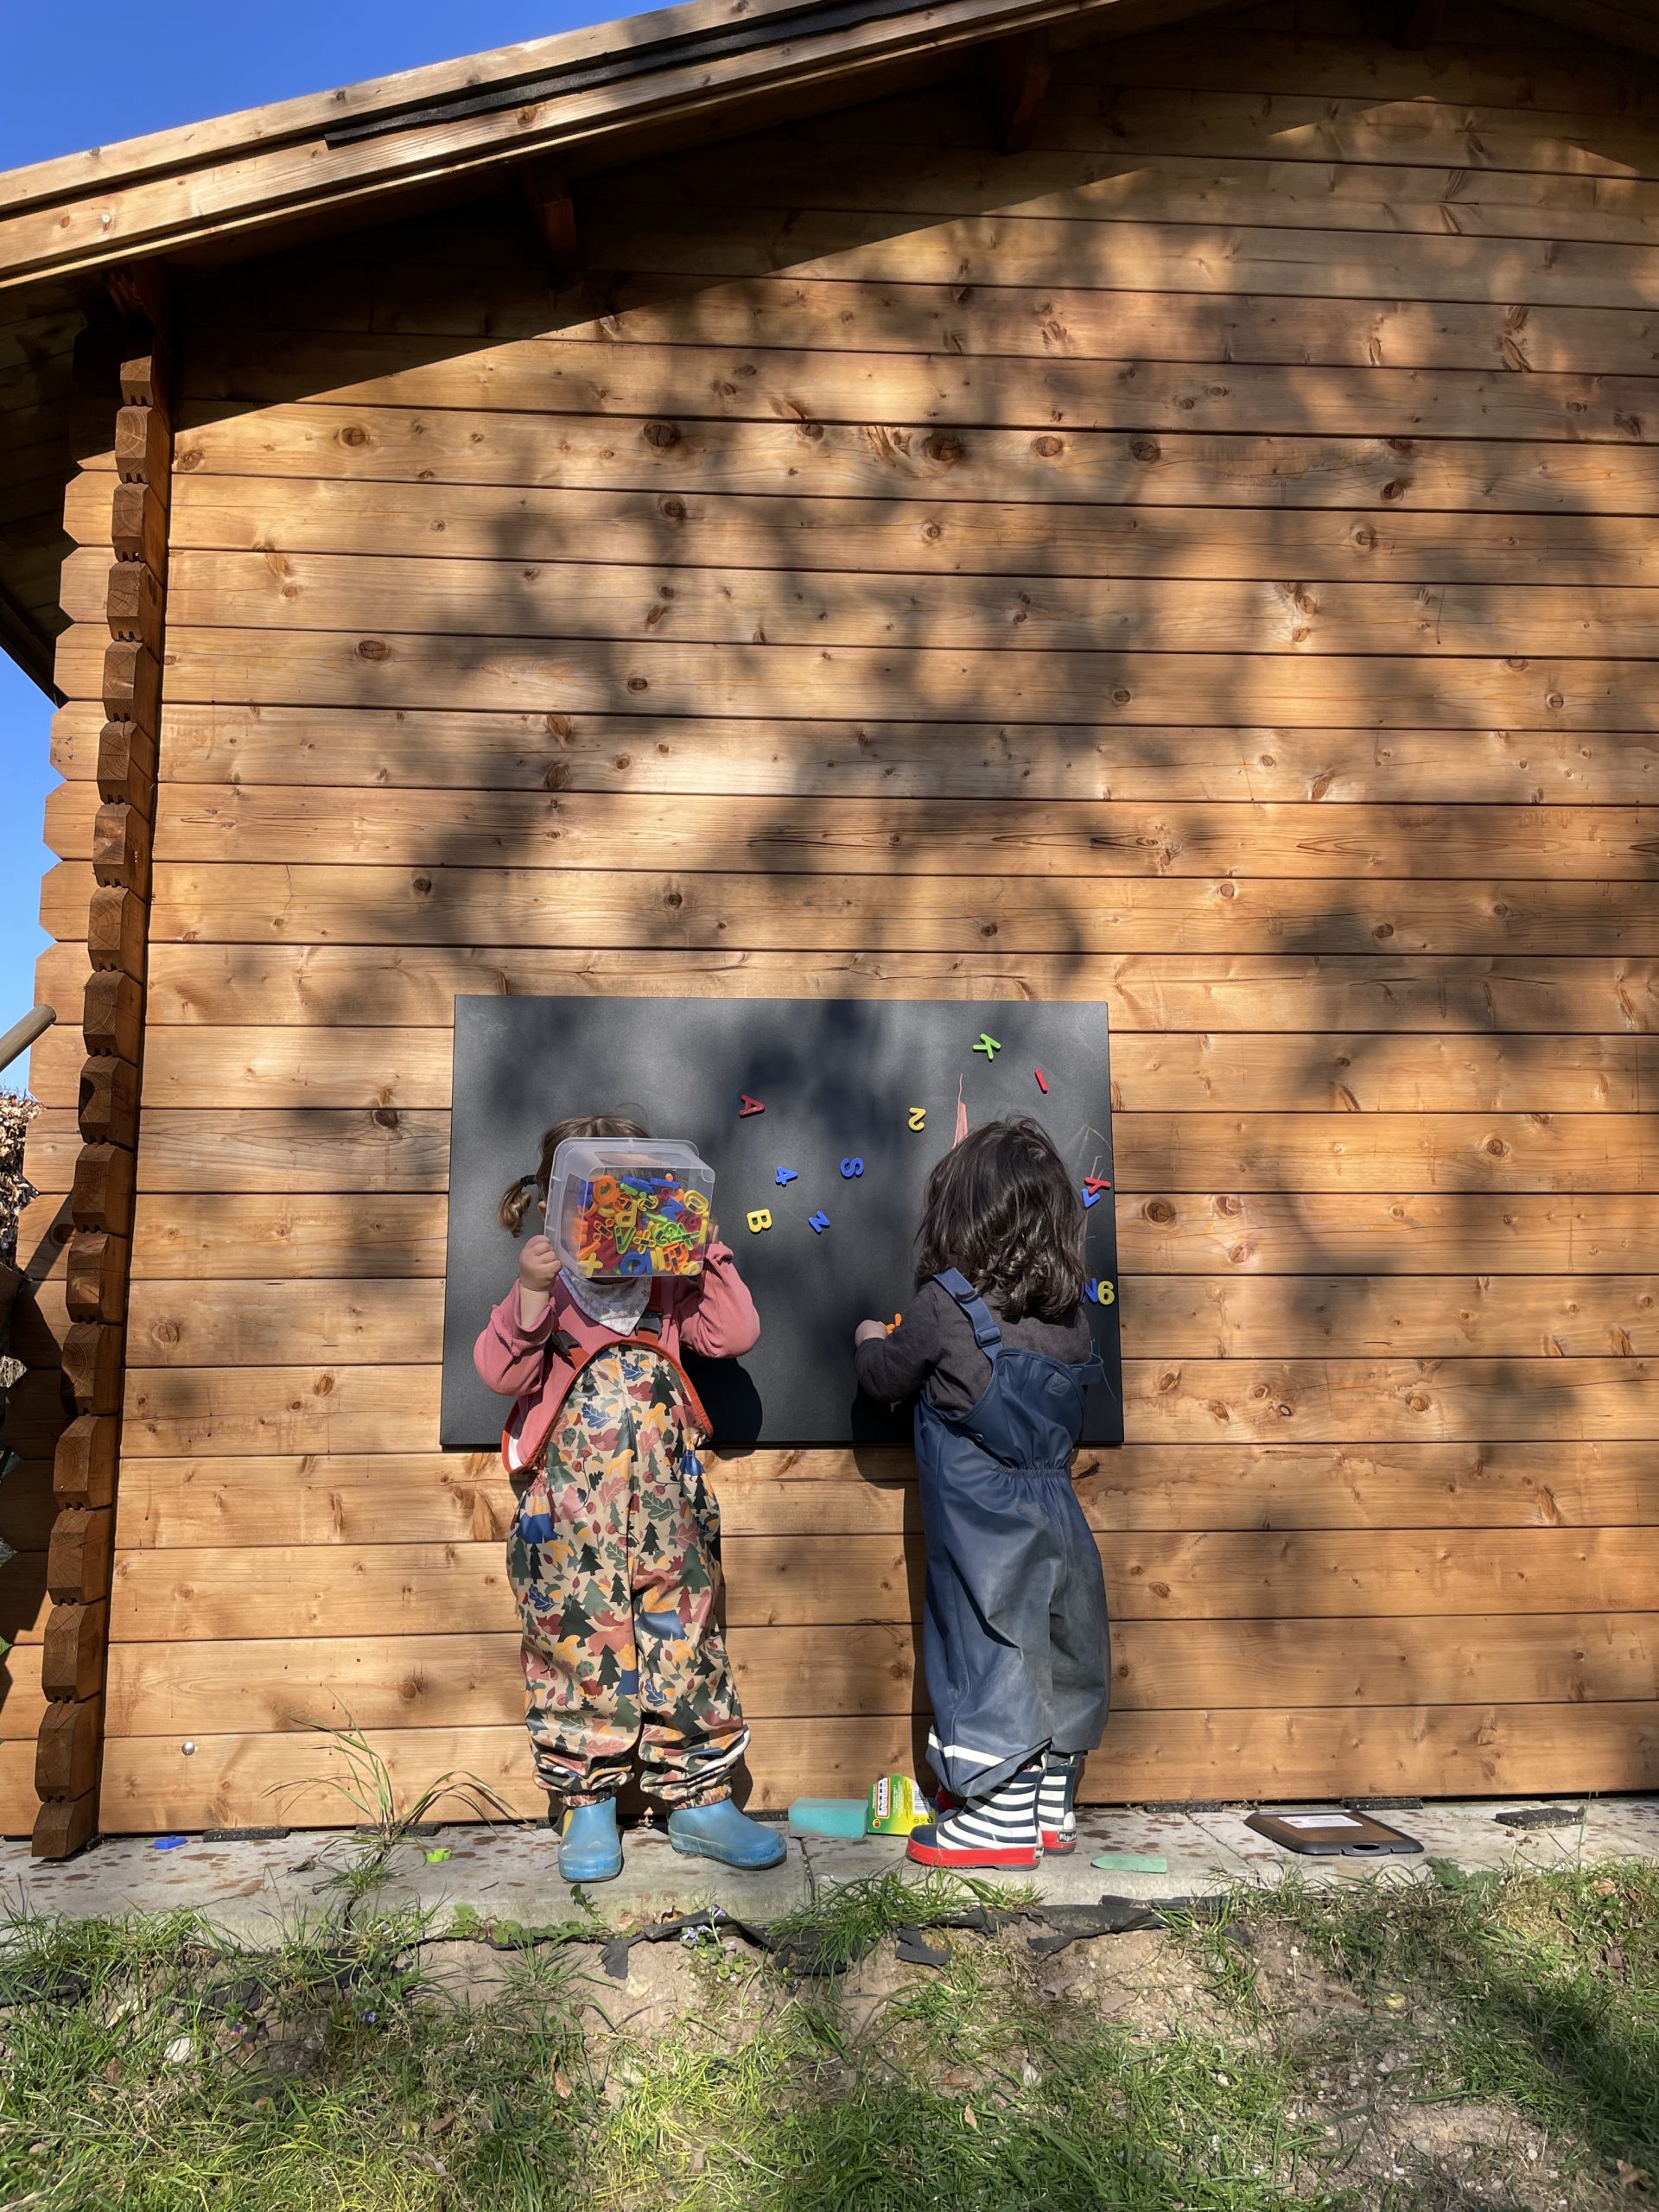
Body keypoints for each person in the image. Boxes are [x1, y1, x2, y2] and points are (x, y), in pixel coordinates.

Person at [475, 1112, 784, 1882]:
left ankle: (701, 1800)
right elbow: (502, 1374)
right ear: (560, 1205)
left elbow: (735, 1333)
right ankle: (586, 1805)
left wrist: (703, 1247)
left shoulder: (667, 1288)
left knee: (686, 1640)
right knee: (576, 1644)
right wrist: (530, 1290)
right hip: (569, 1519)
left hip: (668, 1511)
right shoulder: (552, 1292)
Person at [853, 1116, 1109, 1869]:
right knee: (1064, 1643)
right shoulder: (1071, 1320)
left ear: (961, 1216)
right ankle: (1050, 1806)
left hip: (983, 1523)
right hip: (1058, 1513)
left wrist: (869, 1339)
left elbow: (886, 1379)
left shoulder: (944, 1305)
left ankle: (997, 1820)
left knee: (988, 1644)